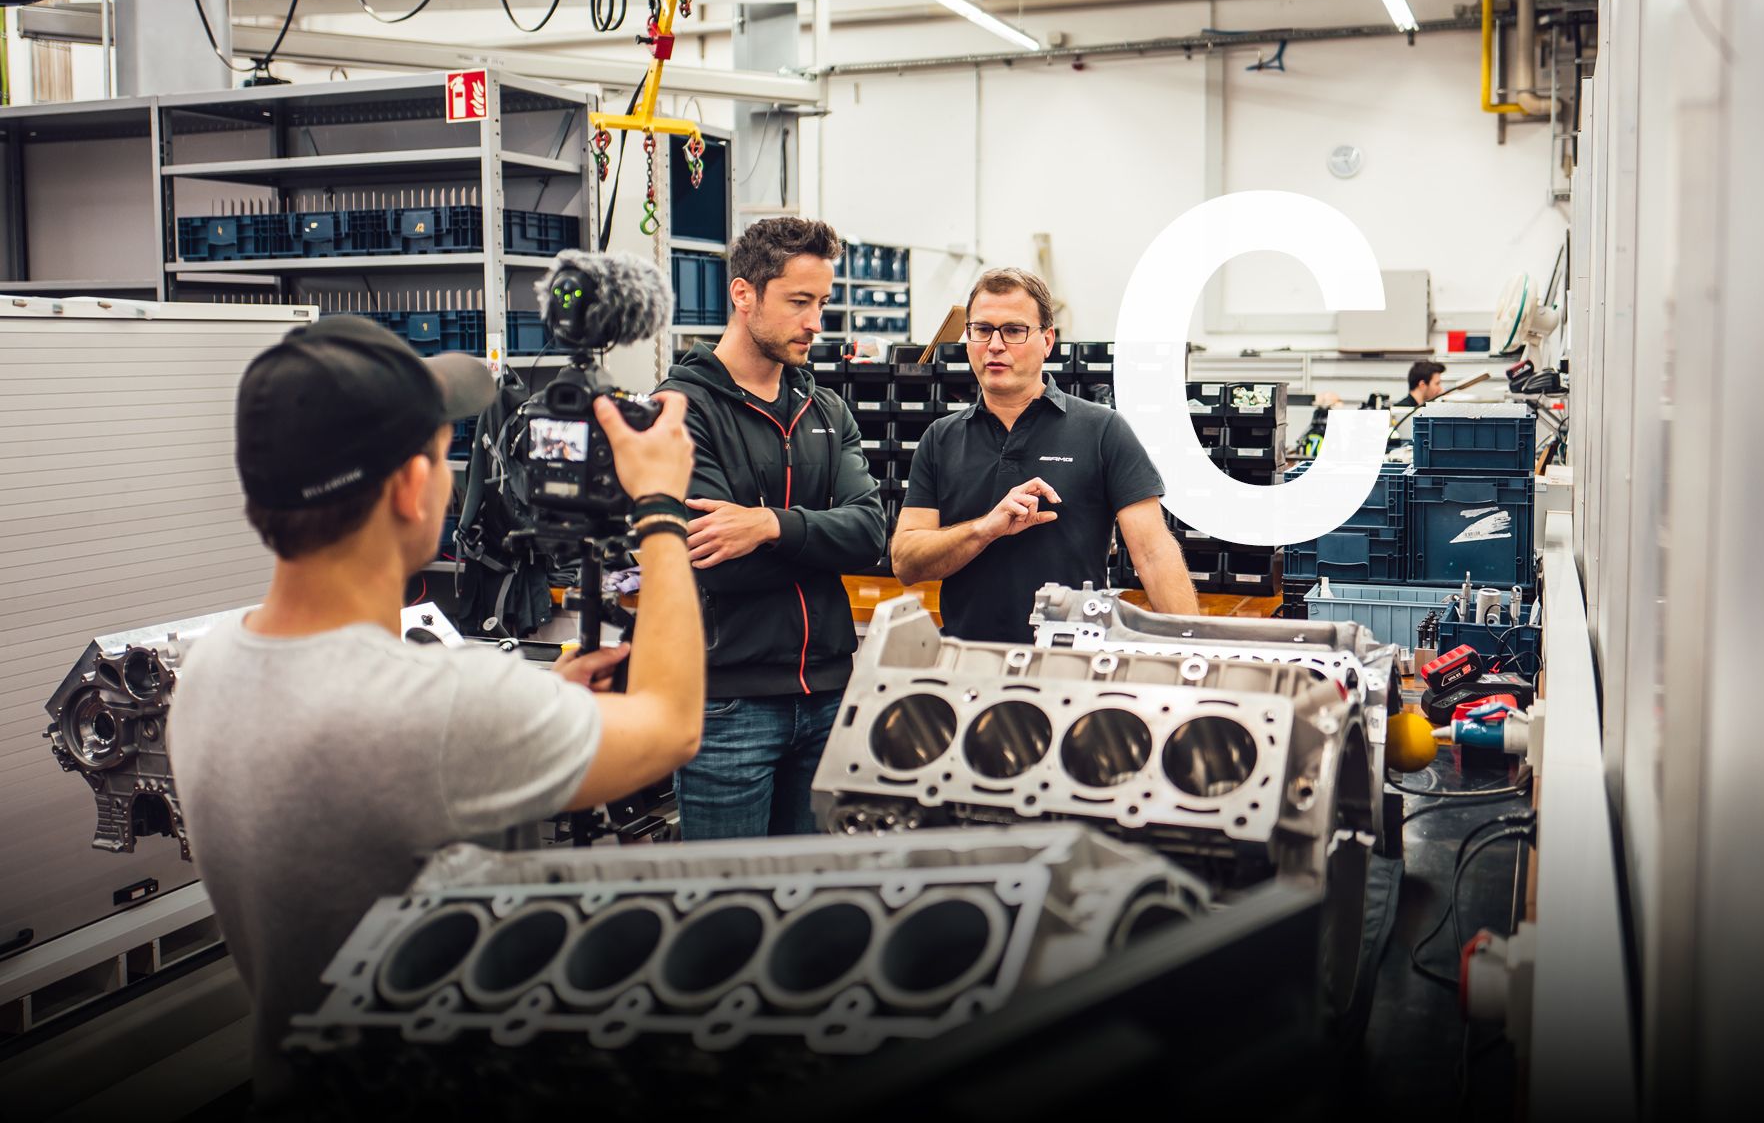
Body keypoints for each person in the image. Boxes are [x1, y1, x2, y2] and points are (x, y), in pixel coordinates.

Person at [167, 315, 704, 1105]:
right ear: (412, 489)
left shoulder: (209, 664)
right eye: (442, 452)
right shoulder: (444, 709)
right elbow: (670, 721)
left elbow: (376, 775)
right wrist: (660, 507)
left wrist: (538, 704)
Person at [655, 217, 888, 837]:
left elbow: (870, 533)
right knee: (725, 907)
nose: (815, 322)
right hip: (732, 705)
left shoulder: (826, 408)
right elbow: (717, 560)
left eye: (822, 303)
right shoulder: (681, 410)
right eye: (799, 303)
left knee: (809, 906)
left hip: (827, 696)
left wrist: (767, 525)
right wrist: (817, 537)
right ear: (744, 295)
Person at [892, 267, 1197, 640]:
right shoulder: (941, 438)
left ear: (1048, 341)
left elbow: (1152, 554)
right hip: (968, 665)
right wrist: (985, 528)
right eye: (982, 330)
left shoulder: (1102, 431)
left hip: (1073, 664)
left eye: (1014, 330)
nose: (995, 345)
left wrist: (1193, 653)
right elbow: (906, 561)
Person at [1297, 359, 1455, 453]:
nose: (1440, 389)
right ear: (1422, 384)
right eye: (1437, 383)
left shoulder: (1423, 410)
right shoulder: (1401, 413)